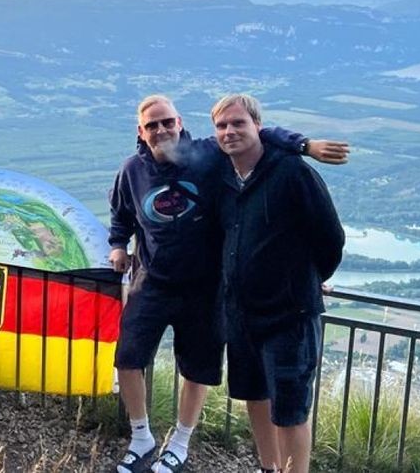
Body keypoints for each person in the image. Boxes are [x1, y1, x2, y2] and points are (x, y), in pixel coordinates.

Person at [109, 95, 347, 473]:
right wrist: (118, 246)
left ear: (180, 122)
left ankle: (184, 444)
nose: (161, 130)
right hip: (180, 290)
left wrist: (304, 145)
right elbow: (121, 213)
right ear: (140, 131)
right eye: (152, 125)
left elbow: (327, 235)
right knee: (249, 395)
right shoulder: (140, 171)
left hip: (234, 297)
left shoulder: (237, 161)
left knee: (263, 397)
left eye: (167, 122)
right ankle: (147, 440)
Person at [212, 94, 345, 473]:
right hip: (242, 314)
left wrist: (310, 278)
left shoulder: (293, 173)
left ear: (259, 127)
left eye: (238, 123)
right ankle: (269, 469)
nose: (229, 131)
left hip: (290, 315)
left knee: (290, 409)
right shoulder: (224, 176)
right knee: (255, 397)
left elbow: (330, 237)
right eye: (222, 126)